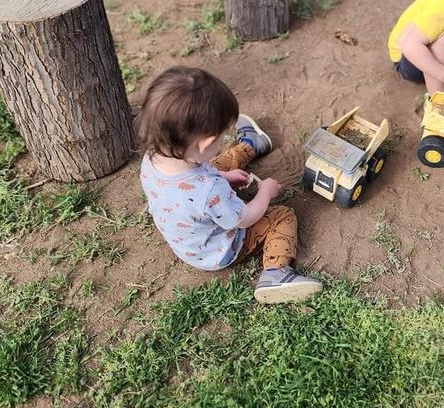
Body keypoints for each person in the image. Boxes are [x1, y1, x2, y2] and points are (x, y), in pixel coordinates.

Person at [137, 66, 323, 304]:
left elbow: (200, 178)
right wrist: (265, 192)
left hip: (189, 239)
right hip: (221, 249)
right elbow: (245, 218)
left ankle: (252, 144)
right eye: (221, 138)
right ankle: (276, 273)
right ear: (204, 143)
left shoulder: (155, 158)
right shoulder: (209, 190)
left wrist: (223, 177)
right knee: (282, 216)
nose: (223, 141)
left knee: (217, 164)